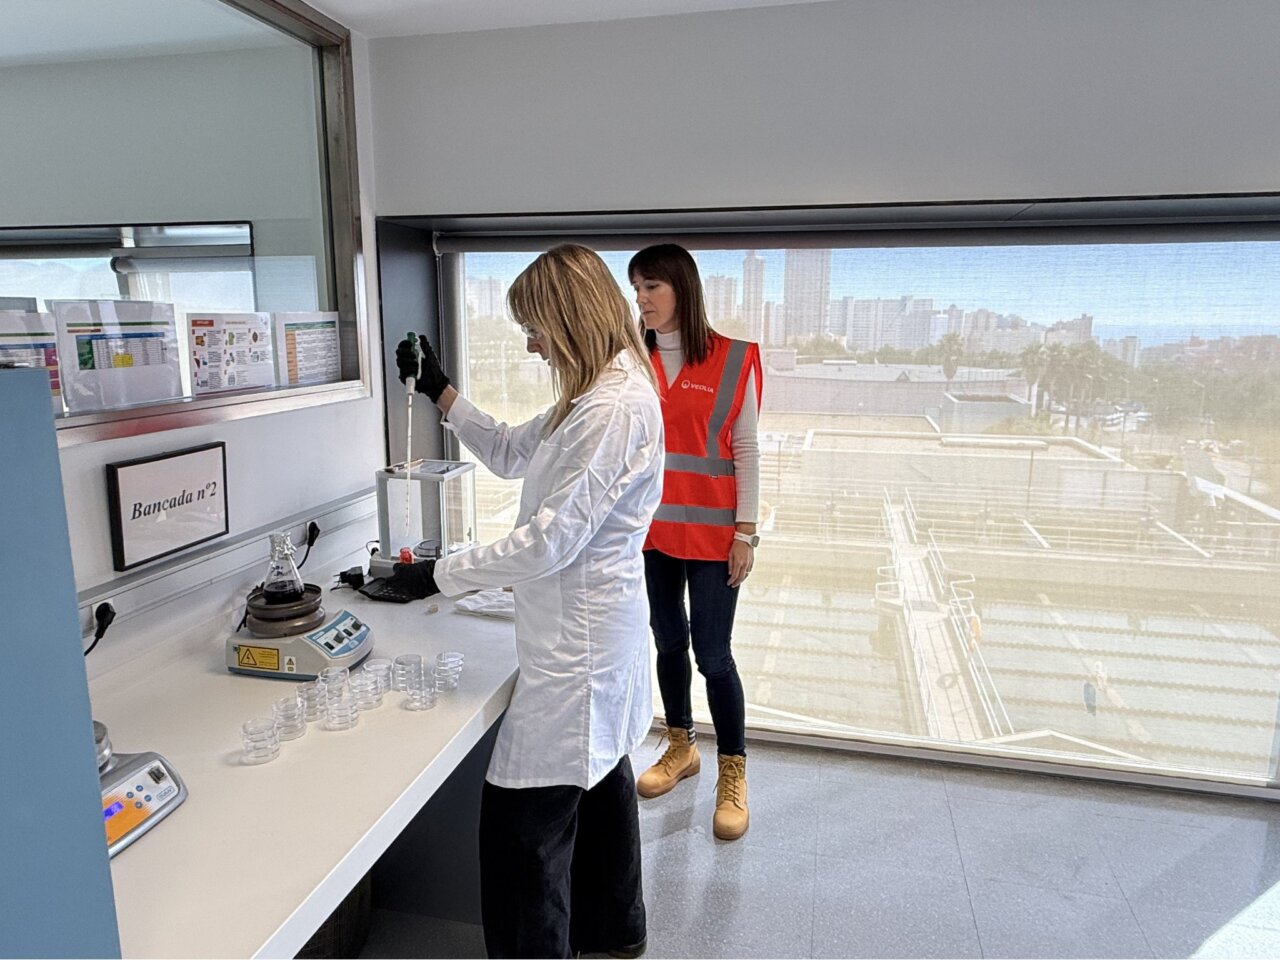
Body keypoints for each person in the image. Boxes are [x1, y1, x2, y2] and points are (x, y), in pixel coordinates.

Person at [389, 244, 663, 959]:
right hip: (589, 631)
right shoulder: (597, 391)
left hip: (582, 646)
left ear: (569, 318)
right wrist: (441, 392)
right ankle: (617, 931)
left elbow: (548, 543)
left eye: (535, 327)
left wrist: (440, 573)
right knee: (599, 779)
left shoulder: (613, 408)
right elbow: (513, 450)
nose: (532, 343)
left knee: (523, 823)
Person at [628, 243, 762, 841]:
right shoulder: (632, 359)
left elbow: (747, 451)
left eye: (651, 286)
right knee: (666, 642)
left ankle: (732, 771)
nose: (642, 299)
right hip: (653, 535)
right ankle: (680, 745)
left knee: (713, 655)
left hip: (714, 537)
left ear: (682, 287)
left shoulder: (732, 361)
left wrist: (747, 534)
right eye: (636, 289)